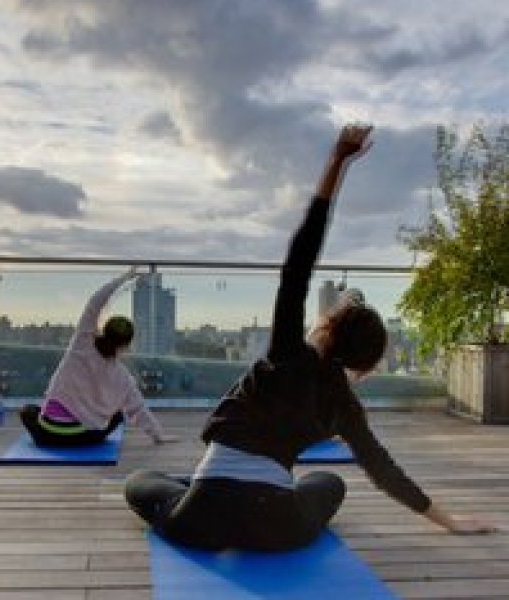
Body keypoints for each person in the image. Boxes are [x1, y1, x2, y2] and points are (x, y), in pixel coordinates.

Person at [124, 124, 496, 551]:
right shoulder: (343, 404)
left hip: (203, 516)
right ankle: (235, 488)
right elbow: (382, 469)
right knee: (328, 481)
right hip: (278, 526)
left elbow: (300, 258)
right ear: (365, 362)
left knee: (140, 482)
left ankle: (206, 481)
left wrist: (338, 161)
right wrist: (448, 521)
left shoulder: (285, 352)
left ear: (328, 326)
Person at [20, 268, 178, 447]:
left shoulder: (82, 342)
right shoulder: (123, 377)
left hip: (48, 434)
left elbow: (95, 302)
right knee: (117, 416)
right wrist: (158, 436)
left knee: (28, 410)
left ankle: (53, 432)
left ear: (104, 331)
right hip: (85, 437)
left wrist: (124, 278)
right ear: (126, 345)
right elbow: (138, 409)